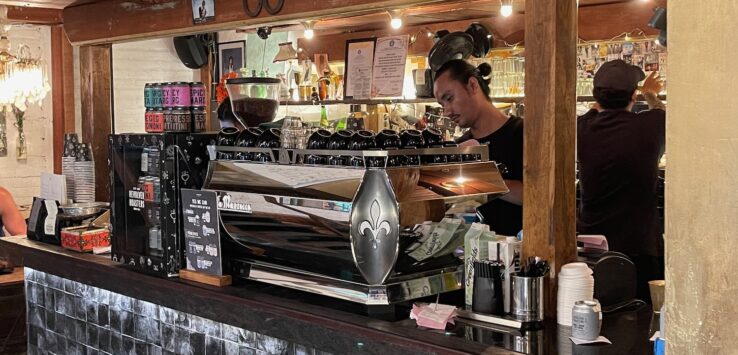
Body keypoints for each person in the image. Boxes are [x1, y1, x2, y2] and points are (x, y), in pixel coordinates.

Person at [576, 59, 665, 303]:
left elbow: (591, 113)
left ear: (595, 96)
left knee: (595, 318)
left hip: (592, 248)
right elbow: (663, 113)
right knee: (643, 319)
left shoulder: (581, 128)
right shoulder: (651, 126)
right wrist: (651, 95)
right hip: (639, 247)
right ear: (634, 95)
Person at [433, 59, 523, 235]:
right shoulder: (460, 147)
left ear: (473, 85)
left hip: (519, 253)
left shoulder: (523, 133)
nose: (447, 111)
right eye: (442, 105)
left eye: (449, 98)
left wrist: (479, 181)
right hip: (470, 253)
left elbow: (538, 196)